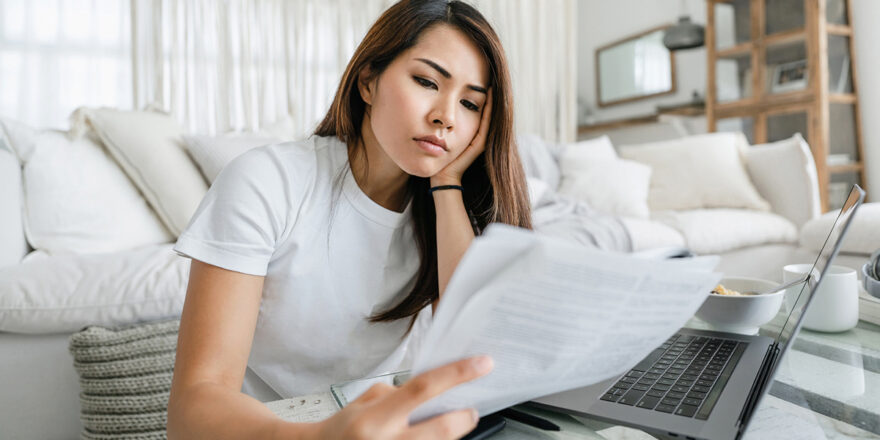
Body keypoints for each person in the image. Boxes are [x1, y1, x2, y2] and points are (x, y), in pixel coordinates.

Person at [166, 0, 531, 438]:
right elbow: (190, 413)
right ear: (367, 82)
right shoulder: (267, 181)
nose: (446, 118)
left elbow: (478, 363)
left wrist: (448, 183)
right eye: (426, 81)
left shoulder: (445, 214)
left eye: (471, 104)